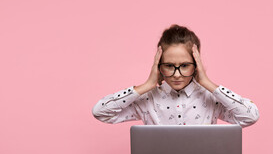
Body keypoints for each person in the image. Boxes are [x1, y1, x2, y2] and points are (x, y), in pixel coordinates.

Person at [92, 24, 259, 127]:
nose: (176, 74)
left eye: (185, 66)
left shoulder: (211, 98)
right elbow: (101, 112)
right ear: (159, 65)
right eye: (169, 66)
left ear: (196, 64)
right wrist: (146, 86)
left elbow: (250, 116)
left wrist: (208, 83)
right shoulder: (147, 99)